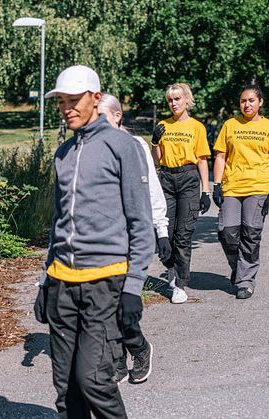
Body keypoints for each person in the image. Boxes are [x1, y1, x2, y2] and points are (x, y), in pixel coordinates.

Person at [33, 65, 155, 419]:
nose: (67, 108)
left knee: (95, 380)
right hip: (62, 284)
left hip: (105, 280)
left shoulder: (122, 147)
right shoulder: (63, 154)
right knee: (66, 386)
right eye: (62, 102)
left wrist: (133, 287)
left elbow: (140, 221)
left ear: (96, 99)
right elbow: (59, 222)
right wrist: (45, 282)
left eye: (75, 101)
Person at [98, 93, 167, 384]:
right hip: (100, 238)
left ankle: (139, 348)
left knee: (119, 301)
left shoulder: (135, 146)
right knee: (101, 304)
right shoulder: (91, 147)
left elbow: (151, 187)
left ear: (117, 116)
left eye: (101, 117)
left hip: (129, 237)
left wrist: (160, 228)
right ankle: (117, 361)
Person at [212, 82, 269, 299]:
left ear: (260, 103)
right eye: (243, 101)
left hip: (258, 188)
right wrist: (216, 185)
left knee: (251, 234)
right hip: (232, 187)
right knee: (227, 233)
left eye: (251, 100)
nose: (246, 104)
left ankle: (245, 281)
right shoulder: (230, 125)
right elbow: (220, 156)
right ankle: (240, 268)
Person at [151, 83, 211, 304]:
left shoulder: (196, 127)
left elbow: (203, 159)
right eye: (170, 100)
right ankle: (171, 268)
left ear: (187, 100)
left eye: (177, 99)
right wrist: (155, 141)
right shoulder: (163, 125)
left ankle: (179, 283)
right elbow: (156, 159)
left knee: (183, 234)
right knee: (165, 231)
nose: (173, 103)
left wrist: (206, 190)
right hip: (166, 178)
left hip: (188, 178)